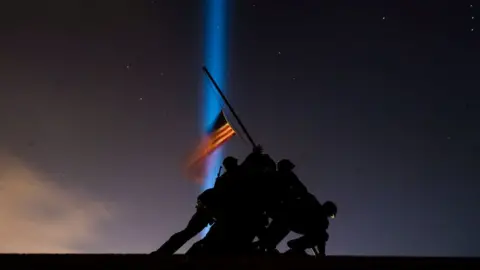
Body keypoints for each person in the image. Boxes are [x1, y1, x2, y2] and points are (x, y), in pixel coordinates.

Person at [151, 188, 218, 255]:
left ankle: (162, 254)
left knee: (190, 234)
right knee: (189, 233)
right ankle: (161, 254)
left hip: (208, 205)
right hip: (208, 205)